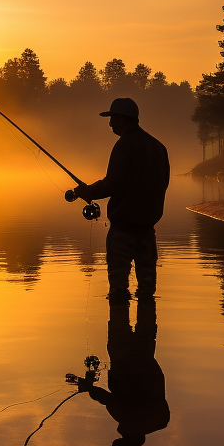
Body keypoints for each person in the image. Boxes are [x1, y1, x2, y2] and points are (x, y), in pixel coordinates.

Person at [66, 96, 169, 302]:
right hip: (148, 231)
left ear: (123, 118)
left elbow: (112, 184)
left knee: (118, 292)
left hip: (123, 231)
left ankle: (119, 330)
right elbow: (162, 184)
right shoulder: (158, 147)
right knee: (147, 292)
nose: (110, 123)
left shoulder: (124, 145)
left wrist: (85, 192)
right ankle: (147, 331)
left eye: (112, 118)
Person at [76, 298, 169, 446]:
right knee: (118, 305)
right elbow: (107, 399)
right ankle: (119, 280)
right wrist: (88, 388)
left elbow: (122, 399)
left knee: (146, 303)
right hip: (123, 353)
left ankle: (143, 279)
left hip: (146, 351)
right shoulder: (125, 418)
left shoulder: (161, 422)